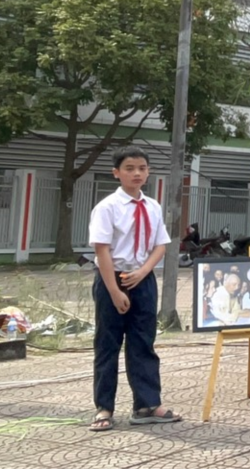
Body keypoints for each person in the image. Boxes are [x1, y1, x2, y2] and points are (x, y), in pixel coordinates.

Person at [87, 146, 183, 431]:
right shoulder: (107, 207)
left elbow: (161, 245)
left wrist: (143, 271)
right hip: (112, 278)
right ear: (116, 173)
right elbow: (102, 249)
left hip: (142, 279)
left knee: (143, 341)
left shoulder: (152, 206)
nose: (137, 173)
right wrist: (114, 291)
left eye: (142, 168)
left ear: (148, 172)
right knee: (108, 343)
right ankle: (104, 408)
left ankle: (147, 404)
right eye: (129, 168)